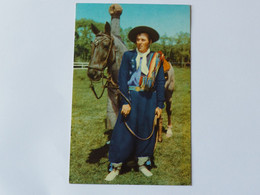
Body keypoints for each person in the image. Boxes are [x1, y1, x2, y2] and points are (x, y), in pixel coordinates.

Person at [105, 26, 169, 181]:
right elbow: (122, 80)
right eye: (138, 39)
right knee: (122, 132)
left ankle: (142, 163)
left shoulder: (156, 58)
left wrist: (159, 104)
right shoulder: (128, 56)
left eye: (143, 40)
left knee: (146, 130)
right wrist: (125, 102)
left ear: (150, 41)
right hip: (131, 98)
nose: (140, 42)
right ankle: (116, 166)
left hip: (149, 100)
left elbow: (160, 82)